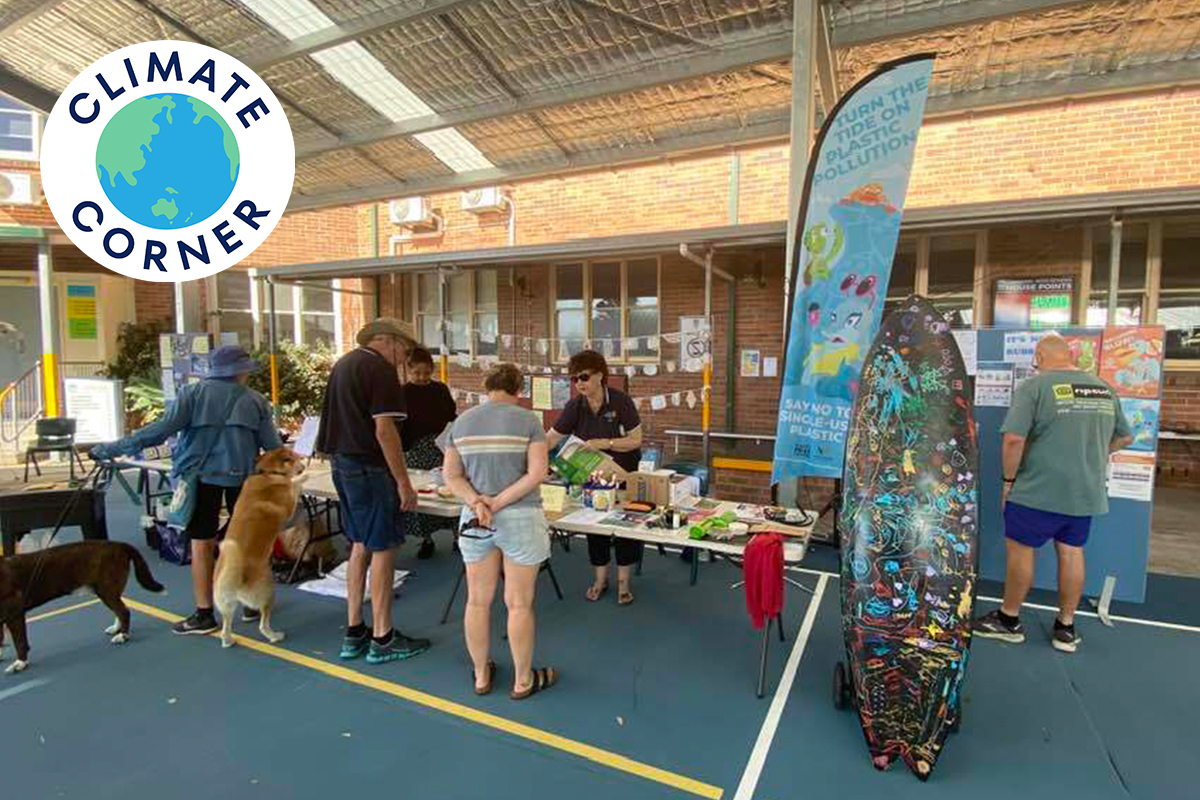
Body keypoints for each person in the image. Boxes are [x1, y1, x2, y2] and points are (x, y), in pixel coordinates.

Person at [89, 345, 281, 635]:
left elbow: (159, 431)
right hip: (244, 480)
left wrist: (111, 448)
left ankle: (204, 615)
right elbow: (273, 448)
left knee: (201, 544)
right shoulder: (255, 401)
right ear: (241, 371)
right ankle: (250, 603)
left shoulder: (193, 394)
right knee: (245, 541)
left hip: (201, 479)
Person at [973, 333, 1132, 654]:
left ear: (1041, 356)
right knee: (1072, 552)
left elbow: (1014, 440)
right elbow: (1124, 438)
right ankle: (1066, 627)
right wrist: (1094, 457)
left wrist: (1007, 481)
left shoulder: (1036, 386)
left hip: (1037, 490)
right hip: (1084, 492)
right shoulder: (1102, 388)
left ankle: (1009, 620)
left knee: (1020, 552)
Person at [316, 318, 430, 665]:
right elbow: (385, 431)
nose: (404, 357)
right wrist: (403, 482)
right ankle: (383, 636)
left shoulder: (344, 365)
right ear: (388, 341)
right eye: (404, 349)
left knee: (360, 545)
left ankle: (355, 630)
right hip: (370, 468)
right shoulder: (379, 370)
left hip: (342, 466)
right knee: (384, 548)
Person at [442, 363, 557, 699]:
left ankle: (481, 675)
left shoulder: (461, 423)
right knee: (519, 603)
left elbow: (452, 476)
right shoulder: (528, 421)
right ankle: (522, 680)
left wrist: (478, 502)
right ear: (519, 389)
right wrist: (498, 502)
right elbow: (537, 473)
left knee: (477, 601)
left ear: (486, 386)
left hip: (475, 519)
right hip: (520, 517)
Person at [544, 350, 643, 605]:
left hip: (623, 474)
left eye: (584, 377)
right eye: (575, 379)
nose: (579, 384)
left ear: (600, 375)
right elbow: (553, 437)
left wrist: (604, 443)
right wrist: (529, 452)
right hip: (592, 477)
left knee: (625, 528)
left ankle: (623, 582)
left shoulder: (621, 402)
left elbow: (636, 440)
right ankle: (600, 579)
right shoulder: (575, 406)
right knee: (595, 528)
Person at [398, 347, 458, 559]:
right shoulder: (402, 392)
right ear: (409, 370)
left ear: (432, 370)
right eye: (417, 374)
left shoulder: (440, 389)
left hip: (440, 447)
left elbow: (452, 415)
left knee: (449, 489)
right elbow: (398, 425)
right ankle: (427, 539)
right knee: (422, 495)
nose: (422, 378)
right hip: (414, 450)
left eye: (426, 373)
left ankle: (457, 536)